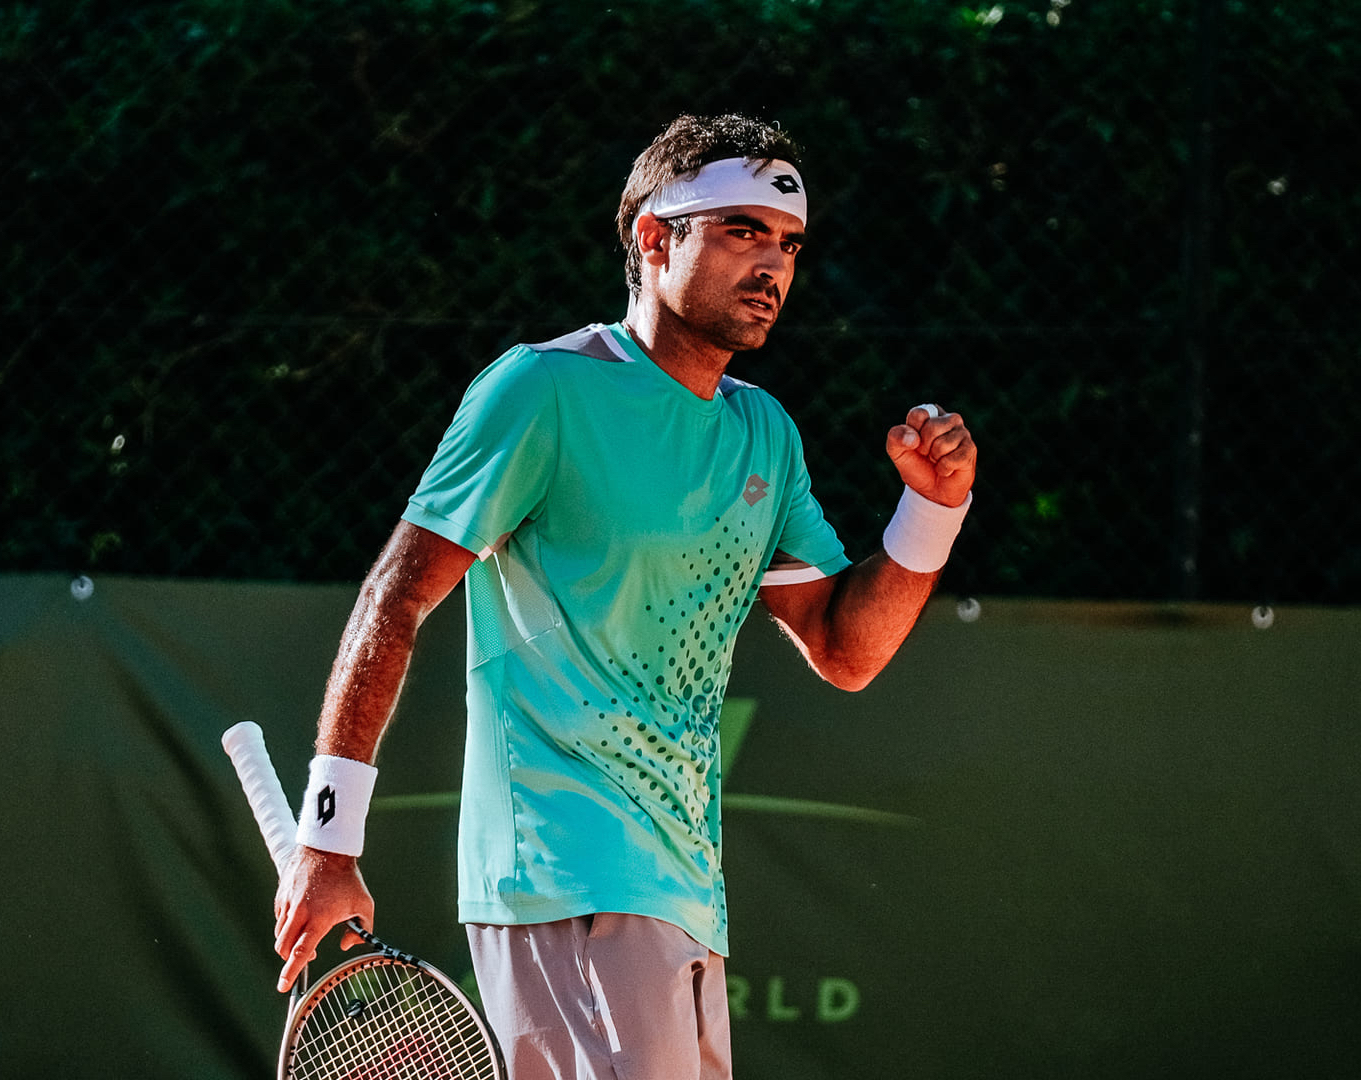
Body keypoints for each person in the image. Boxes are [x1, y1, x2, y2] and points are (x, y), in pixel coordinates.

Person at [271, 113, 976, 1080]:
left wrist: (932, 511)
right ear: (653, 238)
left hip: (687, 894)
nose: (772, 264)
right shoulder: (542, 390)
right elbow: (396, 596)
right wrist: (328, 840)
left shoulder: (764, 434)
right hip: (563, 876)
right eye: (741, 231)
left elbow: (844, 648)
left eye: (787, 243)